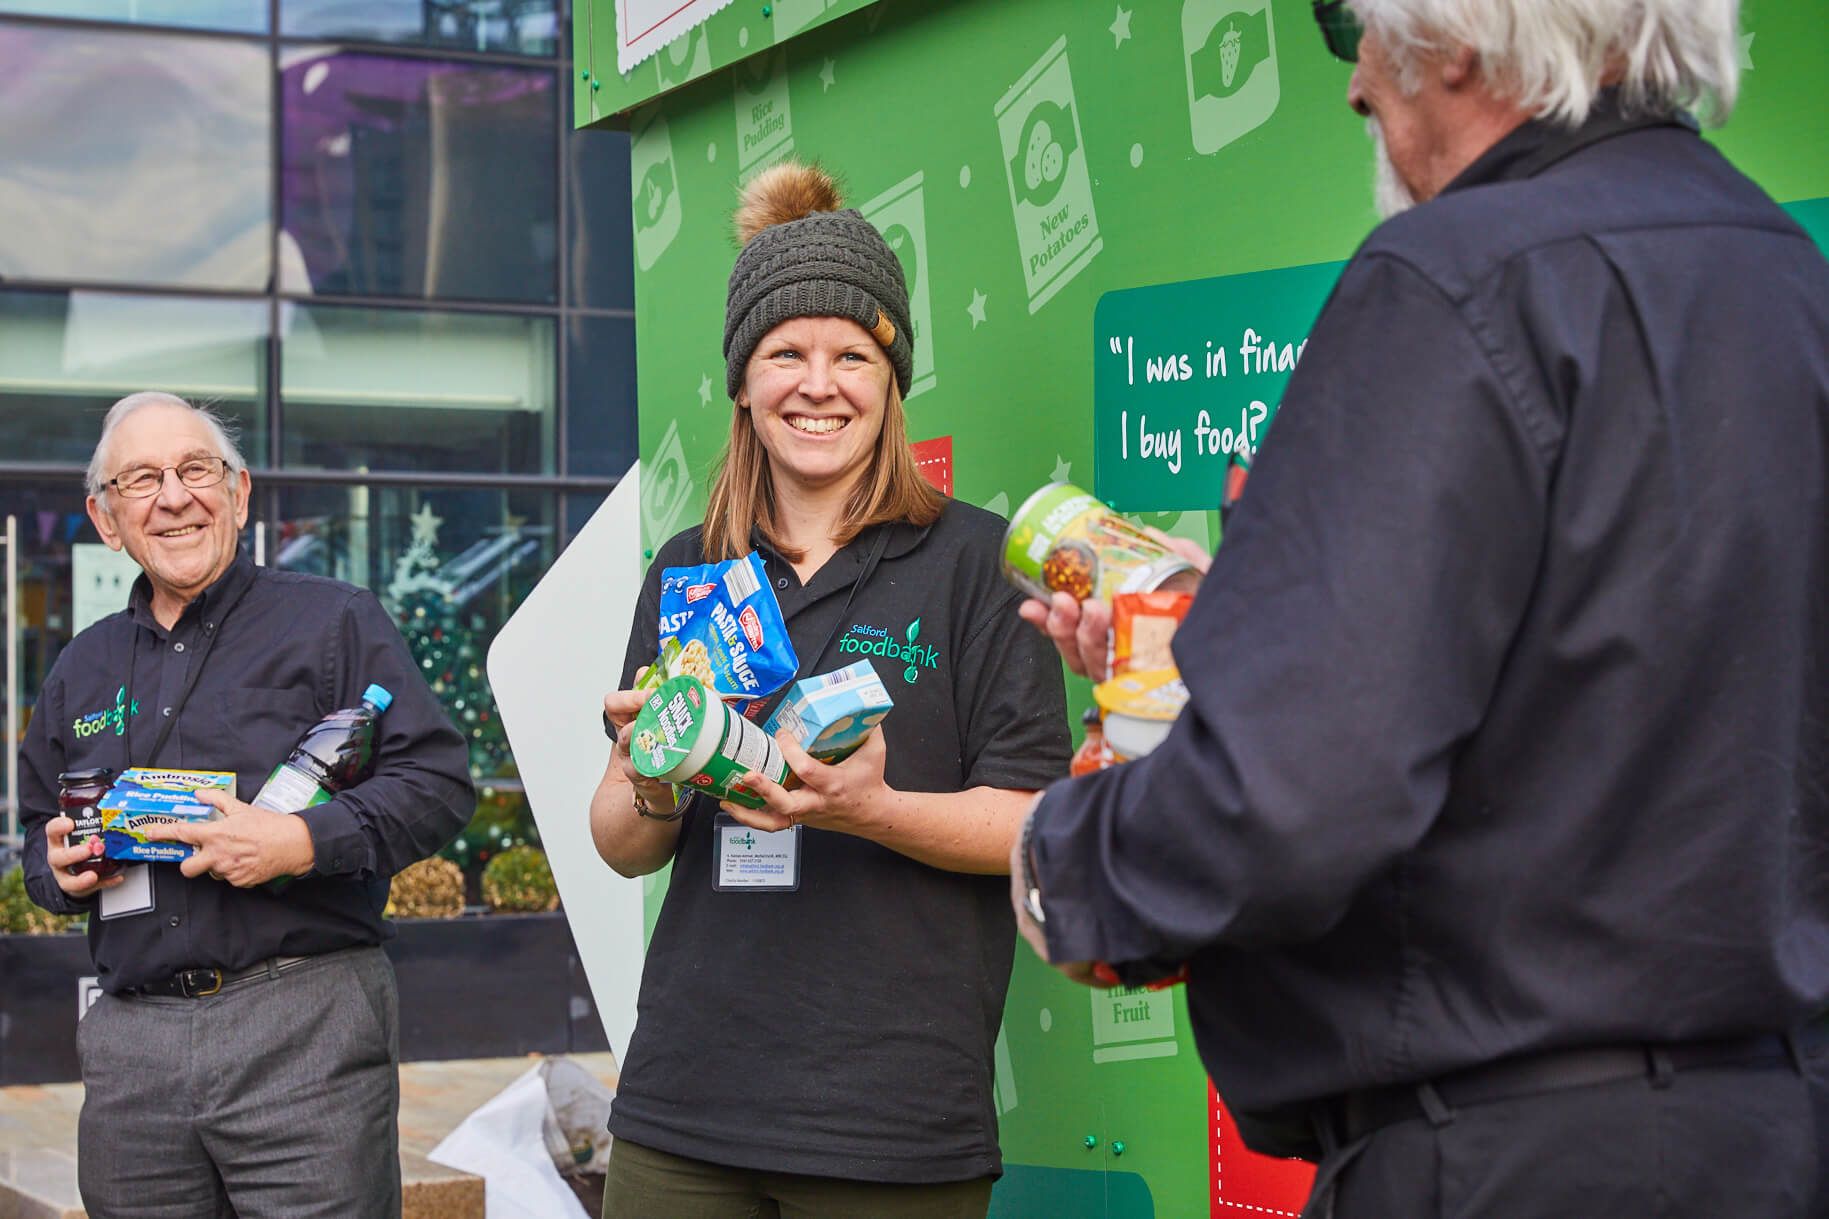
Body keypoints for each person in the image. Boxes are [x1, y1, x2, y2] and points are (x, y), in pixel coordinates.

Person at [1011, 1, 1829, 1215]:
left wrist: (1063, 862)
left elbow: (1291, 791)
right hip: (1774, 1137)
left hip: (1506, 1157)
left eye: (1363, 41)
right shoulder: (1788, 281)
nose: (1354, 92)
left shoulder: (1453, 281)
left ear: (1455, 37)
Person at [591, 162, 1070, 1218]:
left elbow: (1035, 820)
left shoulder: (976, 565)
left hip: (891, 1122)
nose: (819, 384)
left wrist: (873, 811)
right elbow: (622, 841)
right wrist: (653, 770)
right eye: (785, 354)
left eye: (852, 354)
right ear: (742, 381)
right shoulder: (688, 568)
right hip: (683, 1107)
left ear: (891, 381)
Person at [20, 391, 475, 1219]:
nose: (174, 495)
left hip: (303, 1022)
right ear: (105, 516)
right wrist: (56, 870)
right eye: (142, 478)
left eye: (197, 469)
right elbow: (32, 831)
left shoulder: (334, 621)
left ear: (239, 492)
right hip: (131, 1049)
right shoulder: (79, 669)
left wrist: (302, 841)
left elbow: (439, 781)